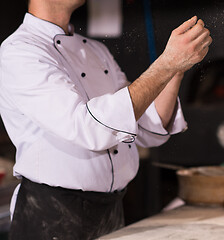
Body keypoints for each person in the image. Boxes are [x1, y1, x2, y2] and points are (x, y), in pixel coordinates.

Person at [0, 0, 212, 239]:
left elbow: (146, 128)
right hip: (51, 217)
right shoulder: (21, 51)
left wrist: (177, 68)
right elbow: (89, 128)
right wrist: (166, 65)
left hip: (111, 212)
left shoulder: (96, 51)